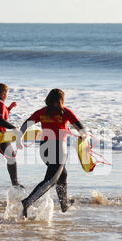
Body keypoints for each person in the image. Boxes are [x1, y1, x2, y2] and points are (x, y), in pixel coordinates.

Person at [16, 89, 87, 218]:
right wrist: (84, 137)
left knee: (62, 174)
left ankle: (64, 203)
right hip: (59, 148)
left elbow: (26, 124)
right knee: (52, 179)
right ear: (61, 100)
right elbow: (81, 129)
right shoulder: (65, 112)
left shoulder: (42, 112)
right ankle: (28, 201)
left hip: (44, 148)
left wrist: (19, 139)